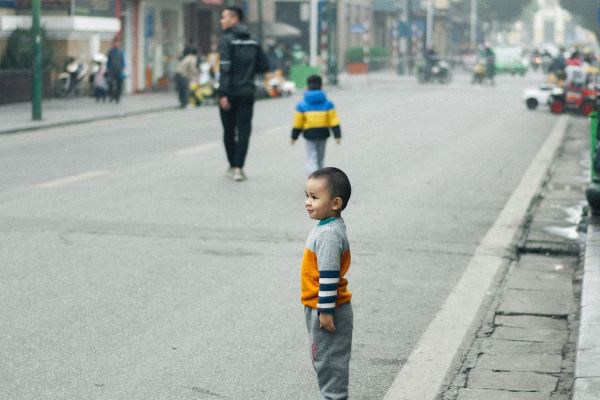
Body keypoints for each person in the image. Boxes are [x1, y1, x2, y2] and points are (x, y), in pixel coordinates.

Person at [301, 167, 353, 400]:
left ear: (335, 203)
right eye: (307, 195)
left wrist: (325, 311)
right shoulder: (326, 226)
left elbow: (329, 275)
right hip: (320, 306)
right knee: (324, 361)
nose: (307, 202)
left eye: (314, 197)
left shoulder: (328, 234)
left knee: (331, 365)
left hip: (328, 309)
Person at [218, 6, 270, 182]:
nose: (221, 21)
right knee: (244, 130)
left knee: (229, 131)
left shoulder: (227, 40)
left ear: (235, 19)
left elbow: (225, 68)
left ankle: (232, 165)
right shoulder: (254, 41)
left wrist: (223, 94)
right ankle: (240, 168)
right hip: (247, 91)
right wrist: (248, 72)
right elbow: (264, 65)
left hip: (230, 92)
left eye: (224, 17)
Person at [290, 75, 341, 176]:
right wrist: (337, 135)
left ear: (307, 86)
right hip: (323, 133)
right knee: (320, 157)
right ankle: (320, 177)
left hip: (309, 134)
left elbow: (298, 122)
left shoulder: (302, 105)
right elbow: (333, 120)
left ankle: (314, 177)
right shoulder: (328, 104)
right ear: (321, 86)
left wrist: (294, 137)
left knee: (311, 157)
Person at [106, 37, 126, 103]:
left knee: (119, 85)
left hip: (119, 70)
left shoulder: (121, 51)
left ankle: (117, 97)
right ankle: (111, 96)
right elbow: (108, 61)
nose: (116, 44)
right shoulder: (111, 52)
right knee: (110, 84)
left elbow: (123, 61)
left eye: (118, 43)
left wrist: (123, 68)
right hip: (111, 70)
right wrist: (108, 69)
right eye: (115, 43)